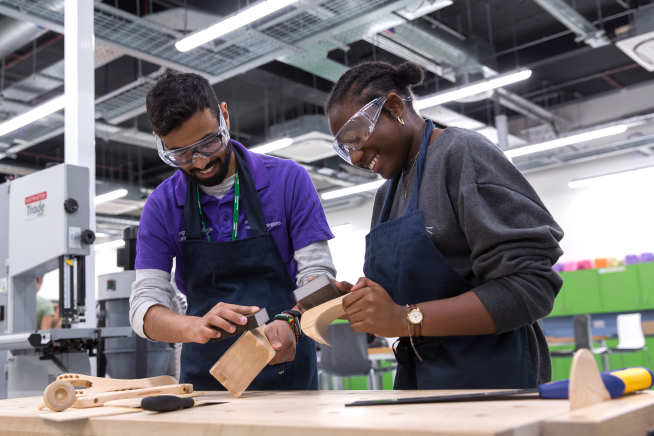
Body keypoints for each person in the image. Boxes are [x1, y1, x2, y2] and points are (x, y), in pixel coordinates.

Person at [325, 61, 564, 389]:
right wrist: (360, 303)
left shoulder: (462, 154)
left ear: (394, 107)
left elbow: (530, 286)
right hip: (421, 380)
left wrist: (404, 318)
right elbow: (404, 301)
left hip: (492, 380)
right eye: (345, 148)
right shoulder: (387, 195)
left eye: (357, 137)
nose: (354, 158)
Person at [130, 72, 336, 390]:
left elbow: (319, 277)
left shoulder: (288, 180)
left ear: (224, 115)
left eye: (210, 142)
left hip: (285, 362)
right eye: (181, 154)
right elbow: (144, 306)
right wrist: (193, 327)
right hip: (205, 377)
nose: (200, 162)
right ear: (160, 141)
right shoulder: (162, 205)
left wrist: (292, 320)